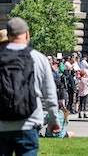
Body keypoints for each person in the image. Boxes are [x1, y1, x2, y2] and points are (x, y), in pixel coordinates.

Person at [0, 17, 61, 155]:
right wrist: (54, 120)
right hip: (29, 123)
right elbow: (50, 96)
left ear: (8, 35)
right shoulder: (39, 58)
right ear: (27, 34)